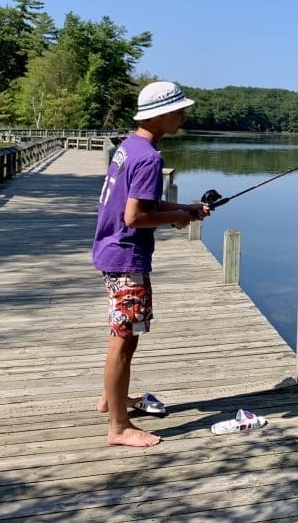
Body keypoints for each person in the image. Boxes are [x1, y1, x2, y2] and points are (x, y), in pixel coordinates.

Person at [91, 81, 210, 447]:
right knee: (123, 341)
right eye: (179, 110)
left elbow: (142, 205)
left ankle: (112, 400)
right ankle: (119, 427)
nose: (184, 116)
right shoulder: (149, 158)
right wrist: (173, 216)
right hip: (127, 257)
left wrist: (181, 211)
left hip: (112, 252)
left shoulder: (130, 147)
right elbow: (134, 217)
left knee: (122, 335)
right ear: (160, 115)